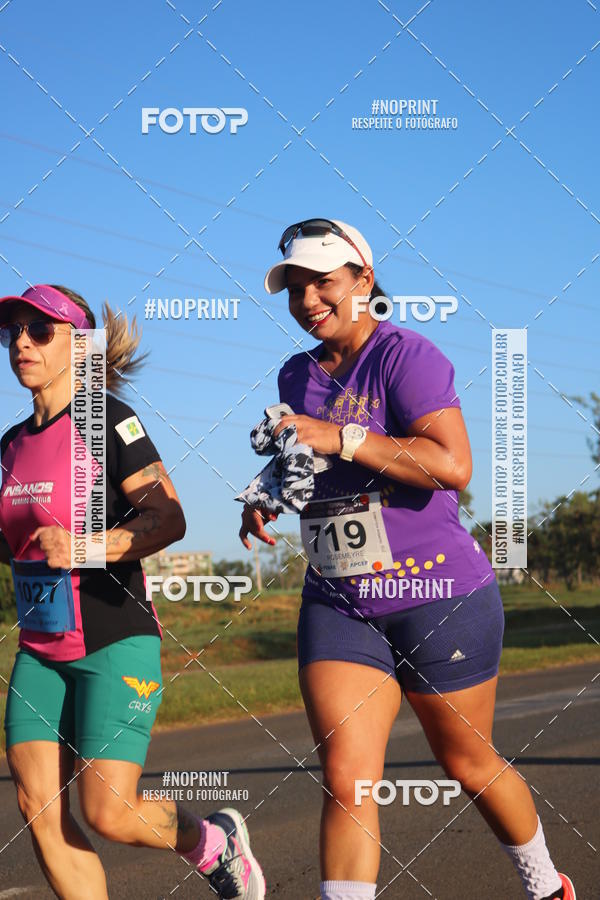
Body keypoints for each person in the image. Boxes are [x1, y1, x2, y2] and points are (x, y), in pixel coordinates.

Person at [238, 220, 575, 900]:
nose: (307, 301)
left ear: (363, 280)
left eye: (322, 283)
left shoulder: (407, 356)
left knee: (467, 762)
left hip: (438, 595)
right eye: (295, 289)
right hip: (340, 600)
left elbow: (451, 464)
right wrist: (268, 491)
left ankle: (547, 887)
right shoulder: (296, 373)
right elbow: (311, 458)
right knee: (347, 778)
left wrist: (342, 435)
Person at [0, 284, 265, 900]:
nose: (21, 343)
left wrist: (84, 547)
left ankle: (214, 842)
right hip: (39, 648)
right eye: (13, 331)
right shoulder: (9, 446)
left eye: (40, 330)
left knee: (110, 811)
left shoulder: (107, 421)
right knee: (38, 807)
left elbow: (168, 518)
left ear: (81, 346)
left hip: (113, 637)